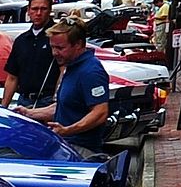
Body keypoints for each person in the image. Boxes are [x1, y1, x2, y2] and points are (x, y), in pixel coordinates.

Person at [14, 21, 110, 152]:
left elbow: (100, 113)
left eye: (60, 48)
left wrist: (68, 130)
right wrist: (29, 113)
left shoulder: (91, 71)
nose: (54, 53)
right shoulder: (71, 66)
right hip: (66, 143)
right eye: (52, 47)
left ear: (78, 45)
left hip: (81, 148)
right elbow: (64, 106)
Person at [1, 0, 59, 109]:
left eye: (43, 9)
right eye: (34, 9)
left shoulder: (58, 37)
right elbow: (12, 77)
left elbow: (64, 71)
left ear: (50, 10)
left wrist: (56, 101)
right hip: (23, 101)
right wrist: (3, 107)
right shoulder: (21, 40)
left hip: (48, 102)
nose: (38, 13)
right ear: (28, 10)